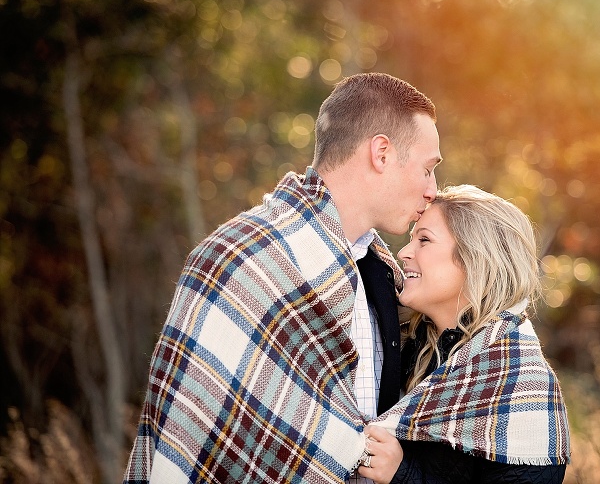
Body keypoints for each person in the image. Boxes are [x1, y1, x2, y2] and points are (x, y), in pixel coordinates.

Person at [123, 72, 442, 483]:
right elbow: (186, 441)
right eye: (428, 168)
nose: (433, 189)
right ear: (381, 153)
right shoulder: (239, 259)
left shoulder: (383, 273)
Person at [355, 185, 571, 484]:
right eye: (410, 239)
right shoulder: (402, 343)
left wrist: (404, 475)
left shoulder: (520, 380)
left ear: (474, 259)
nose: (404, 253)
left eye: (424, 240)